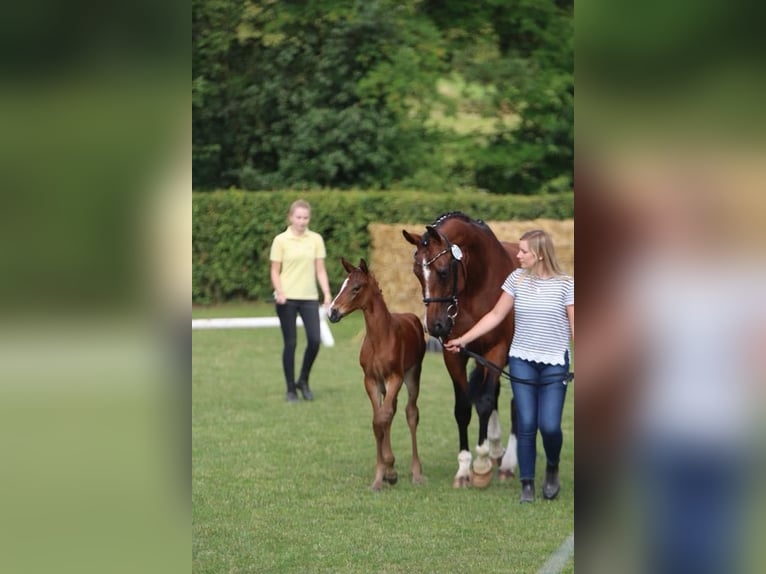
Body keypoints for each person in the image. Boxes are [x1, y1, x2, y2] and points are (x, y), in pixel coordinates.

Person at [444, 229, 574, 502]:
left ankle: (551, 467)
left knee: (549, 426)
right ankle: (526, 484)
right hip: (522, 360)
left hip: (554, 363)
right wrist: (463, 339)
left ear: (539, 254)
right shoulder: (515, 279)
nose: (517, 255)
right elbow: (495, 315)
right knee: (526, 423)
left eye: (523, 251)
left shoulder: (566, 285)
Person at [269, 199, 333, 403]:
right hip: (286, 298)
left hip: (309, 297)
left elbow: (320, 269)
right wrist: (279, 292)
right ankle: (290, 390)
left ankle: (303, 380)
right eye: (298, 217)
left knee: (314, 340)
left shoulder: (315, 239)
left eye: (305, 217)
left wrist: (327, 293)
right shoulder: (281, 240)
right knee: (291, 343)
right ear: (290, 217)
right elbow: (274, 270)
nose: (302, 221)